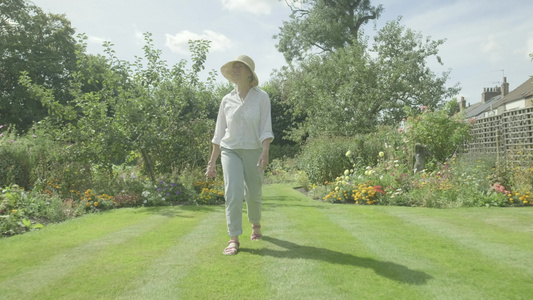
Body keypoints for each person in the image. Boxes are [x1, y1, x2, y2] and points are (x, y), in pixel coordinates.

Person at [206, 55, 274, 255]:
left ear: (249, 73)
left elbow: (265, 128)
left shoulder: (262, 97)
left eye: (239, 67)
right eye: (233, 67)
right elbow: (219, 133)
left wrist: (265, 151)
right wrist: (211, 163)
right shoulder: (226, 100)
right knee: (233, 191)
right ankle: (233, 237)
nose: (235, 70)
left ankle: (255, 223)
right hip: (230, 150)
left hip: (254, 150)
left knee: (253, 193)